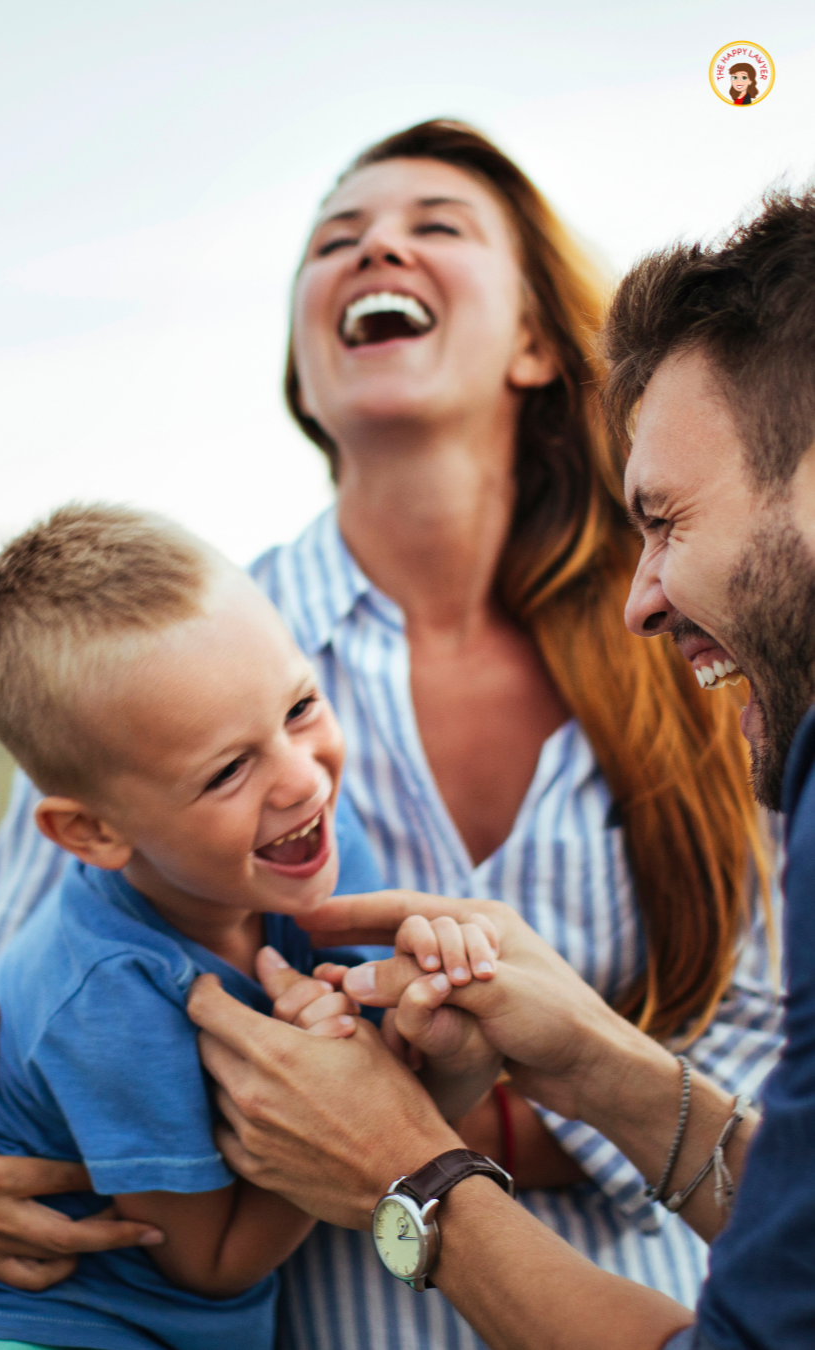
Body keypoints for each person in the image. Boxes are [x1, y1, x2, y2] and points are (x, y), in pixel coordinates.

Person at [0, 121, 781, 1347]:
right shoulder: (163, 663)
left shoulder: (688, 627)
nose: (374, 243)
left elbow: (766, 1031)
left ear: (540, 342)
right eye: (333, 239)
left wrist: (423, 1114)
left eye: (433, 226)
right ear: (305, 360)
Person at [187, 187, 815, 1349]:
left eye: (667, 521)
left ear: (535, 341)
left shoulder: (740, 709)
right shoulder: (190, 649)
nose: (641, 596)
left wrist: (409, 1162)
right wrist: (594, 1058)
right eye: (331, 235)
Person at [0, 501, 456, 1349]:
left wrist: (445, 967)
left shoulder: (314, 837)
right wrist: (345, 1093)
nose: (302, 779)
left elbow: (404, 1026)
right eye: (228, 770)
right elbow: (213, 1261)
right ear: (94, 833)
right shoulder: (107, 992)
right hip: (27, 1324)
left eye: (299, 708)